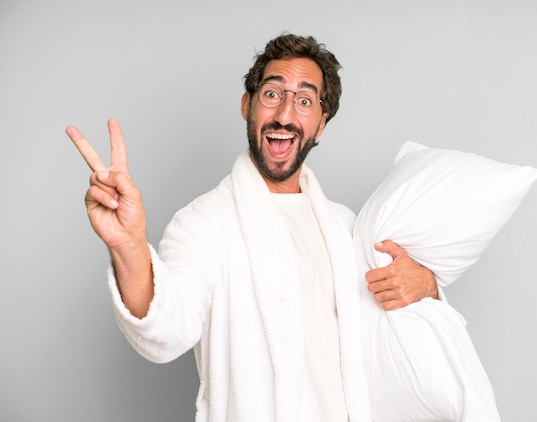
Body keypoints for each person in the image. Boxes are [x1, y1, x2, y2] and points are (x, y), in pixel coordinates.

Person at [67, 33, 438, 421]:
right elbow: (165, 333)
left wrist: (426, 285)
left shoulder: (345, 227)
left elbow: (394, 333)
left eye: (305, 100)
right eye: (272, 94)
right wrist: (129, 246)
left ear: (321, 124)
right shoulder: (203, 224)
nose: (284, 115)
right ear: (247, 104)